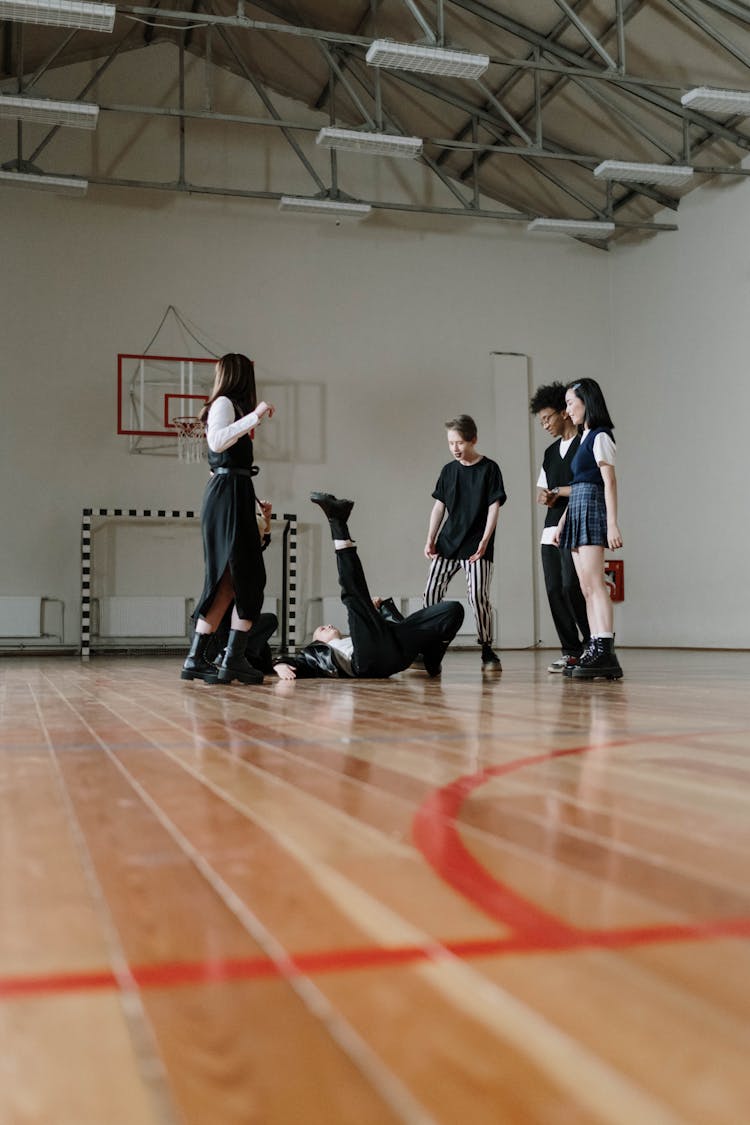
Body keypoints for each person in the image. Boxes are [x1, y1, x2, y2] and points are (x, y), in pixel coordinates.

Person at [273, 492, 464, 681]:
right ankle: (337, 522)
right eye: (322, 629)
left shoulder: (354, 636)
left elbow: (392, 626)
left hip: (396, 650)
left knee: (452, 610)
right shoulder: (312, 655)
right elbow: (285, 661)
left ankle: (431, 658)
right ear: (315, 642)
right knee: (355, 598)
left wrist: (378, 614)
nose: (328, 625)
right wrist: (279, 664)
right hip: (366, 663)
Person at [181, 353, 276, 685]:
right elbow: (218, 440)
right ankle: (229, 659)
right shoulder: (224, 403)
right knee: (244, 578)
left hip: (232, 492)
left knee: (230, 582)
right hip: (226, 493)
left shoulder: (227, 406)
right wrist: (256, 415)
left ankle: (202, 659)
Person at [552, 379, 623, 680]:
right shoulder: (585, 438)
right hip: (578, 508)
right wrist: (562, 520)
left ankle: (605, 649)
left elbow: (609, 482)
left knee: (595, 584)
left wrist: (612, 524)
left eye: (570, 403)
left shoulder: (601, 437)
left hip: (593, 509)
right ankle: (595, 647)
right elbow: (579, 483)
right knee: (585, 587)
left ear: (587, 400)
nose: (567, 411)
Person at [423, 414, 506, 669]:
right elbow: (439, 507)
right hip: (448, 542)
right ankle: (428, 646)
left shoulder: (489, 469)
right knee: (431, 593)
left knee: (478, 596)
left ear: (473, 440)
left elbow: (494, 508)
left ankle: (487, 648)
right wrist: (430, 539)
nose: (455, 448)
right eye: (450, 443)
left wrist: (484, 541)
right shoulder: (448, 471)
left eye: (459, 443)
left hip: (476, 545)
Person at [529, 382, 590, 672]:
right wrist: (545, 496)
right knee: (554, 589)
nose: (544, 425)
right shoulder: (550, 452)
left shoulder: (586, 442)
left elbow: (591, 486)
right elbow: (542, 490)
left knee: (571, 586)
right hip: (551, 528)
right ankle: (571, 650)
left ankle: (593, 643)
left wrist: (561, 491)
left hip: (577, 525)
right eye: (540, 421)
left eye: (547, 418)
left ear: (564, 412)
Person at [203, 500, 278, 675]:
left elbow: (262, 543)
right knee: (268, 621)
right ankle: (230, 657)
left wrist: (265, 519)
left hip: (209, 640)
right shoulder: (240, 564)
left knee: (263, 654)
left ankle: (235, 657)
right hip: (216, 640)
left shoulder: (226, 552)